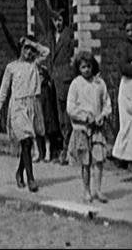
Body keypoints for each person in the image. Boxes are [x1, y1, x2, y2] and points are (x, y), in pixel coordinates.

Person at [0, 35, 50, 192]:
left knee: (27, 143)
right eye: (26, 48)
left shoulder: (35, 64)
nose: (29, 52)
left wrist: (33, 43)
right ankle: (31, 179)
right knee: (26, 141)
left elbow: (46, 52)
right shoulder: (12, 67)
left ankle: (20, 172)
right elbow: (4, 88)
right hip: (18, 106)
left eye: (31, 49)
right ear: (21, 48)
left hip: (32, 105)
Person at [66, 51, 112, 203]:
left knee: (98, 160)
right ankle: (86, 190)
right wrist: (85, 117)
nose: (86, 70)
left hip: (97, 129)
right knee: (85, 162)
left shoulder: (99, 83)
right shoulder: (76, 84)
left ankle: (98, 189)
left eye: (89, 66)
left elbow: (107, 104)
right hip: (82, 129)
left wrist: (102, 116)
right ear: (78, 68)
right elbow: (70, 108)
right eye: (83, 67)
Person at [112, 15, 132, 184]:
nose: (130, 33)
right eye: (127, 30)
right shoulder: (123, 47)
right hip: (130, 89)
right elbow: (123, 66)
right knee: (131, 128)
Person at [50, 11, 75, 165]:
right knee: (58, 116)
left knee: (66, 116)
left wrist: (69, 72)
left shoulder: (69, 34)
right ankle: (60, 149)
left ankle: (67, 150)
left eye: (59, 20)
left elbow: (73, 55)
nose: (57, 23)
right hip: (54, 80)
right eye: (55, 20)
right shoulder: (51, 36)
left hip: (65, 79)